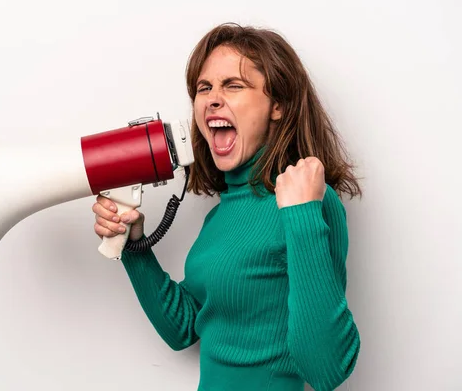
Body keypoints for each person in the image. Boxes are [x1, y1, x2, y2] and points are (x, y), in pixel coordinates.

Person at [92, 22, 361, 391]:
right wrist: (133, 244)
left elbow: (326, 370)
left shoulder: (309, 202)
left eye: (233, 85)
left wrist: (303, 215)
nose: (212, 98)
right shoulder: (221, 214)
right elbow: (184, 328)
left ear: (278, 106)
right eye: (204, 88)